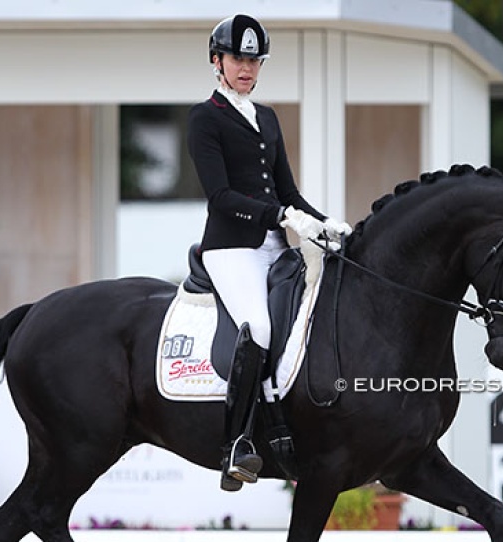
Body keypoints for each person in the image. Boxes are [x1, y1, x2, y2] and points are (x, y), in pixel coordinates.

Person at [187, 13, 352, 491]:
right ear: (218, 61)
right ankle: (236, 443)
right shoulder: (205, 118)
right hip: (231, 249)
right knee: (258, 326)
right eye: (238, 58)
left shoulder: (267, 117)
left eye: (254, 60)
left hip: (277, 249)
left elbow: (288, 192)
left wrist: (322, 222)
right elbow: (219, 196)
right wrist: (279, 217)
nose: (247, 68)